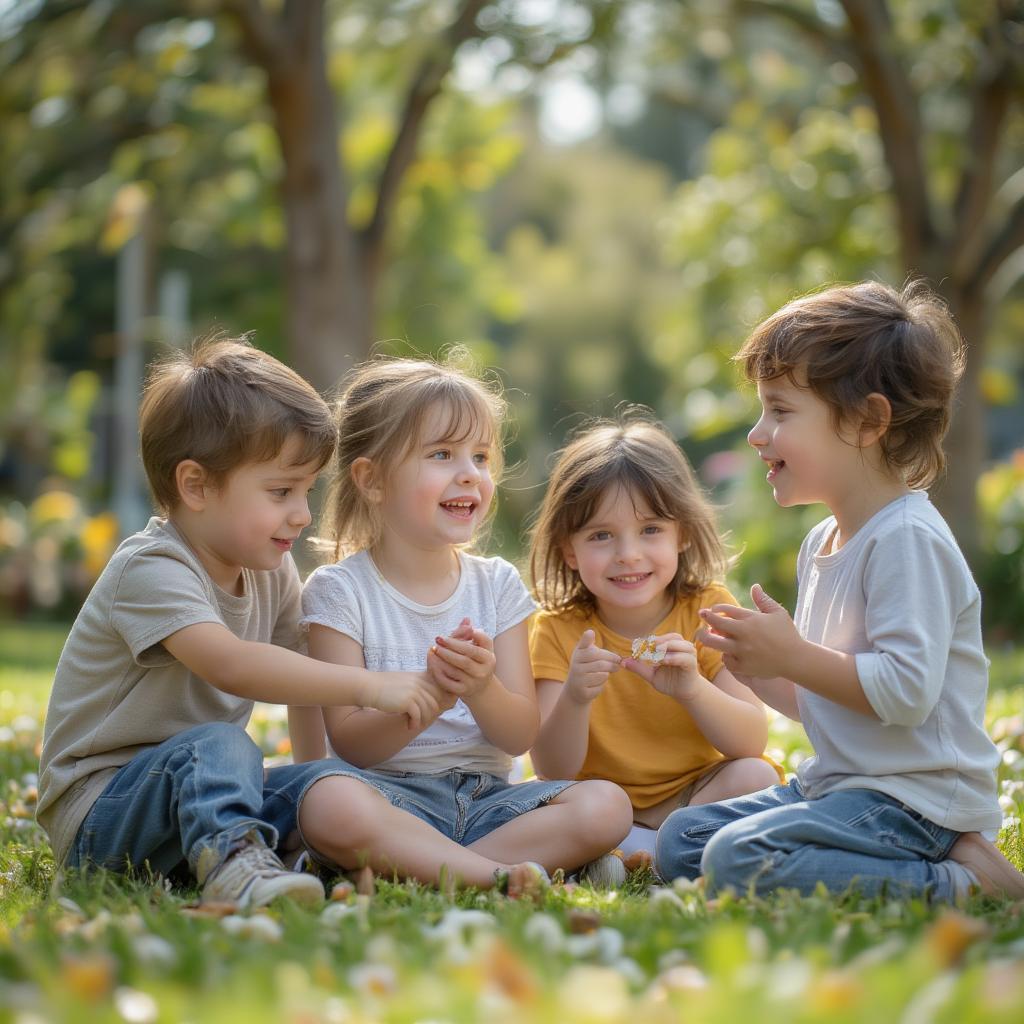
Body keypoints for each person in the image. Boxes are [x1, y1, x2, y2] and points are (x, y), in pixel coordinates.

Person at [37, 339, 442, 910]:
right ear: (196, 486)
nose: (301, 513)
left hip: (196, 803)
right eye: (280, 491)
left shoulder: (268, 573)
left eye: (305, 491)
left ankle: (359, 853)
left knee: (324, 788)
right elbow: (231, 664)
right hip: (102, 815)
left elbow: (306, 674)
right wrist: (368, 687)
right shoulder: (152, 568)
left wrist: (313, 771)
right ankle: (235, 866)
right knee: (220, 746)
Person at [656, 279, 1024, 900]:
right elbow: (830, 703)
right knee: (680, 840)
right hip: (843, 785)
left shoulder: (907, 541)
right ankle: (944, 859)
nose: (756, 432)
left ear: (865, 422)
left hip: (910, 798)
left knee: (736, 861)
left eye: (780, 410)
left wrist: (793, 655)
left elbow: (905, 694)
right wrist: (750, 666)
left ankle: (962, 882)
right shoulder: (823, 540)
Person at [293, 353, 632, 894]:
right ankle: (494, 874)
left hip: (488, 801)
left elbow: (519, 734)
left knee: (606, 806)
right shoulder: (339, 592)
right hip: (388, 797)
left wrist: (479, 689)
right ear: (372, 479)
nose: (470, 474)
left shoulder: (495, 584)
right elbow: (352, 744)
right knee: (330, 804)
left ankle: (414, 869)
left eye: (480, 456)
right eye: (442, 454)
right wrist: (430, 695)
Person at [528, 416, 781, 884]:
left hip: (694, 797)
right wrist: (575, 698)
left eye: (650, 530)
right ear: (568, 550)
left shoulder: (707, 610)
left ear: (681, 534)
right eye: (601, 535)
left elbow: (750, 741)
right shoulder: (557, 631)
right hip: (600, 802)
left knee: (755, 778)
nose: (628, 553)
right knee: (547, 803)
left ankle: (634, 853)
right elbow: (551, 767)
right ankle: (649, 851)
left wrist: (692, 690)